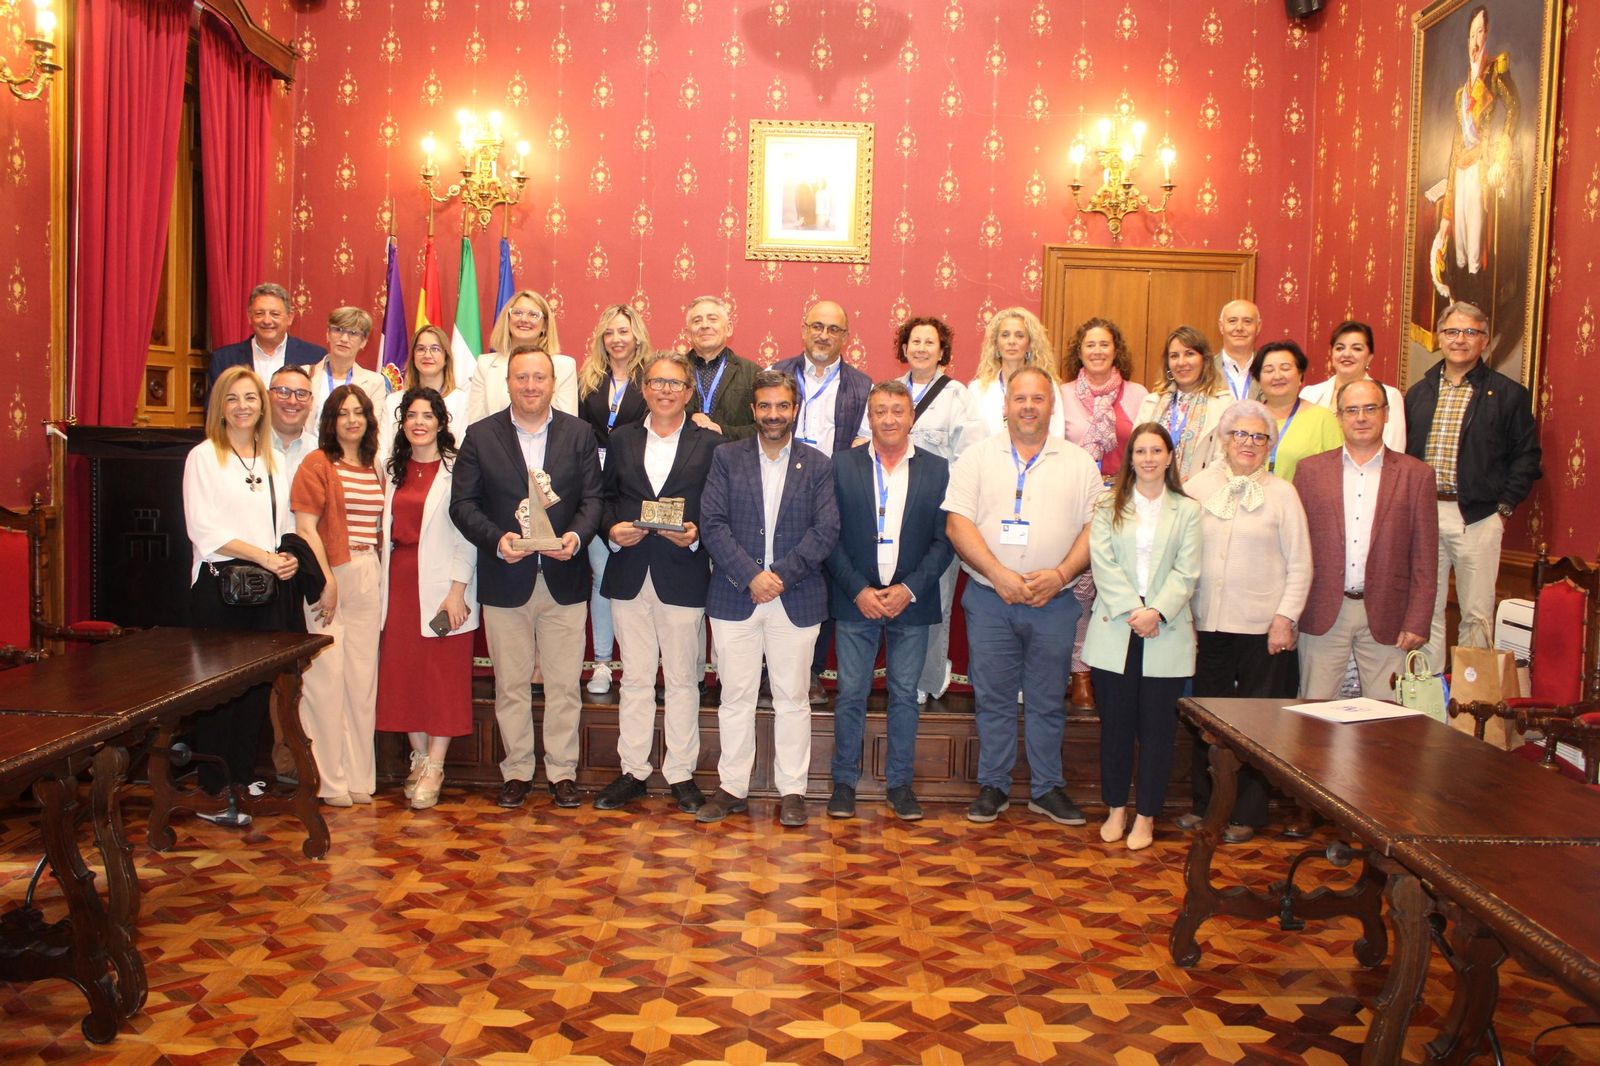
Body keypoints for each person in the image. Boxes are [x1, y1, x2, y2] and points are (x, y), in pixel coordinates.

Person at [944, 366, 1098, 826]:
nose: (1028, 406)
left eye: (1038, 399)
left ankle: (1047, 788)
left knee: (1048, 699)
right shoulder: (976, 458)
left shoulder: (1079, 461)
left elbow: (1097, 528)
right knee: (992, 697)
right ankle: (994, 785)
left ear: (1052, 406)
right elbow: (958, 524)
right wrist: (998, 573)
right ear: (1005, 405)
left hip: (1055, 600)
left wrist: (1061, 573)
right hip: (992, 596)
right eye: (1020, 398)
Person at [449, 347, 602, 811]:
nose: (530, 386)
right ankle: (516, 770)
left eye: (539, 378)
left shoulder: (579, 434)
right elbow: (463, 506)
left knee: (562, 685)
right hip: (505, 576)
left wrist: (576, 536)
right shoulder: (480, 435)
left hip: (564, 576)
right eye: (522, 378)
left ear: (552, 383)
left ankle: (561, 772)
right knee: (510, 684)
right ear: (508, 382)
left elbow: (594, 500)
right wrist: (498, 541)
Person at [697, 369, 839, 827]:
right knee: (735, 695)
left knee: (792, 697)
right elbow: (713, 524)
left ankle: (792, 790)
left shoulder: (817, 465)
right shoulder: (726, 457)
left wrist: (776, 576)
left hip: (794, 597)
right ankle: (732, 787)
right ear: (753, 410)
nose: (774, 415)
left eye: (782, 406)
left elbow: (826, 531)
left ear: (795, 410)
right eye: (765, 406)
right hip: (735, 594)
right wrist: (751, 576)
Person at [592, 351, 723, 814]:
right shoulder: (622, 438)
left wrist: (696, 535)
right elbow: (604, 499)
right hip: (629, 571)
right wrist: (611, 530)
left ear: (689, 392)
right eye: (656, 383)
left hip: (682, 571)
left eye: (675, 384)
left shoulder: (708, 444)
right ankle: (633, 771)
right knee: (637, 679)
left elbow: (716, 507)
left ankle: (681, 773)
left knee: (685, 679)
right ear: (644, 389)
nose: (665, 390)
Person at [1180, 401, 1312, 844]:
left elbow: (1301, 565)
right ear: (1223, 439)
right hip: (1207, 626)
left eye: (1259, 437)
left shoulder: (1283, 494)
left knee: (1258, 727)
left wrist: (1285, 619)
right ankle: (1206, 807)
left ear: (1270, 445)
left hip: (1262, 630)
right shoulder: (1197, 488)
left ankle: (1247, 815)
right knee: (1208, 722)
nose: (1249, 444)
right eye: (1241, 435)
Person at [825, 380, 952, 821]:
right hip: (854, 600)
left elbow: (944, 541)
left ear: (911, 416)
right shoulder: (841, 466)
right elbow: (830, 537)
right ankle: (843, 783)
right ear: (869, 416)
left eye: (898, 410)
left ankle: (900, 785)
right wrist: (857, 589)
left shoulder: (938, 470)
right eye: (881, 411)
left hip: (911, 603)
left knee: (904, 695)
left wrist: (909, 589)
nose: (890, 419)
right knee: (851, 694)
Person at [182, 367, 300, 823]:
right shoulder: (203, 457)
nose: (243, 406)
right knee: (220, 691)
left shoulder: (273, 459)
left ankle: (243, 775)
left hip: (265, 588)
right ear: (220, 407)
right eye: (233, 399)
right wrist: (263, 557)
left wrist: (285, 557)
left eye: (250, 397)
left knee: (255, 687)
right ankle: (213, 789)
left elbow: (283, 527)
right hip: (220, 587)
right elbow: (204, 531)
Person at [851, 317, 983, 704]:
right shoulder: (887, 391)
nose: (922, 348)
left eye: (930, 342)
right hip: (886, 502)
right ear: (904, 349)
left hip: (936, 505)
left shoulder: (958, 395)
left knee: (933, 593)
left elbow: (968, 455)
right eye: (915, 342)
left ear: (943, 351)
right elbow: (863, 440)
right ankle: (890, 670)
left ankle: (925, 679)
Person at [1082, 424, 1201, 852]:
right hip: (1117, 626)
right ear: (1130, 458)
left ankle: (1147, 815)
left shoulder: (1187, 511)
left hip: (1165, 629)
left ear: (1170, 458)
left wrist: (1157, 612)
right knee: (1116, 727)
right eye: (1141, 451)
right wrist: (1135, 610)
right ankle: (1116, 808)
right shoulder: (1107, 504)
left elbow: (1187, 571)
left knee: (1156, 732)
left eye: (1157, 450)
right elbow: (1103, 561)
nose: (1148, 458)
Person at [1405, 300, 1541, 667]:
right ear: (1439, 338)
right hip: (1424, 515)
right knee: (1423, 614)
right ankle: (1427, 706)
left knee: (1476, 616)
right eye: (1452, 332)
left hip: (1478, 518)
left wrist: (1504, 508)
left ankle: (1470, 715)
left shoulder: (1508, 395)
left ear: (1484, 341)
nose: (1460, 340)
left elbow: (1527, 457)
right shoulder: (1418, 394)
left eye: (1470, 332)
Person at [1295, 381, 1438, 700]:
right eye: (1352, 410)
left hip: (1389, 611)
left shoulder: (1417, 476)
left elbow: (1426, 559)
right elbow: (1295, 551)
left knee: (1385, 722)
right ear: (1339, 416)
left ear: (1386, 413)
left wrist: (1418, 620)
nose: (1361, 418)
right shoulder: (1310, 472)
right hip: (1323, 610)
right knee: (1314, 713)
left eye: (1370, 408)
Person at [375, 388, 478, 810]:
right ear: (402, 424)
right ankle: (418, 755)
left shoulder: (457, 468)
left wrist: (457, 590)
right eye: (411, 415)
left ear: (441, 421)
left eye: (427, 415)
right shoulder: (391, 469)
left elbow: (468, 532)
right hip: (398, 583)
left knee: (442, 677)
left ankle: (436, 765)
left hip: (444, 586)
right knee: (405, 676)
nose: (419, 422)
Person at [771, 299, 872, 704]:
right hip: (777, 489)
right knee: (776, 571)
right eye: (817, 326)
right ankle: (770, 672)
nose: (823, 335)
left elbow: (866, 440)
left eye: (833, 329)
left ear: (846, 337)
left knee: (823, 581)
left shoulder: (862, 385)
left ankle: (811, 672)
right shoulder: (778, 372)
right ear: (804, 328)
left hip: (831, 492)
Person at [291, 385, 386, 807]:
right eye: (343, 413)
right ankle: (329, 781)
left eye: (359, 412)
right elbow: (305, 529)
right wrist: (326, 579)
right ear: (330, 421)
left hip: (368, 572)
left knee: (362, 680)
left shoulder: (373, 467)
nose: (352, 419)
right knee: (325, 680)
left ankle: (359, 779)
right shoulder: (316, 464)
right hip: (327, 575)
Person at [1058, 317, 1151, 713]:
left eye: (1104, 344)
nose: (1097, 351)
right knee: (1078, 591)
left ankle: (1111, 673)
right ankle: (1079, 675)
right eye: (1089, 344)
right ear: (1079, 351)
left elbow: (1148, 448)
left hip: (1125, 504)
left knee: (1116, 589)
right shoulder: (1060, 394)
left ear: (1117, 351)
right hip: (1076, 501)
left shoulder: (1139, 394)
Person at [577, 305, 651, 696]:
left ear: (636, 335)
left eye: (623, 331)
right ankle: (603, 662)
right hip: (593, 488)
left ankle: (639, 665)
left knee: (639, 583)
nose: (616, 339)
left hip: (633, 488)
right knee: (602, 578)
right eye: (609, 333)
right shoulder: (588, 380)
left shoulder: (651, 380)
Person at [1432, 6, 1519, 314]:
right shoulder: (1460, 95)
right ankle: (1462, 311)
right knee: (1459, 246)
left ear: (1488, 34)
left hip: (1483, 166)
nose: (1476, 39)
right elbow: (1456, 146)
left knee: (1476, 241)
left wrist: (1501, 154)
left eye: (1481, 32)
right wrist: (1445, 212)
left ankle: (1478, 314)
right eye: (1472, 33)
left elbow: (1513, 109)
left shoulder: (1497, 70)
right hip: (1462, 168)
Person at [1134, 326, 1235, 480]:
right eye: (1174, 356)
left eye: (1189, 354)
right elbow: (1135, 453)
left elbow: (1224, 459)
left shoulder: (1224, 404)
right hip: (1153, 493)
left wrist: (1189, 488)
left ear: (1204, 360)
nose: (1181, 362)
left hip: (1201, 495)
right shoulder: (1152, 402)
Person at [467, 290, 580, 422]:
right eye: (517, 313)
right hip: (494, 442)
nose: (524, 319)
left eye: (533, 315)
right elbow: (477, 424)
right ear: (507, 320)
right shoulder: (485, 365)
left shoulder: (564, 366)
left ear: (544, 325)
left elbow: (568, 427)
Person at [1300, 321, 1406, 451]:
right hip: (1316, 469)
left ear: (1369, 357)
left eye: (1356, 348)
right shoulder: (1309, 394)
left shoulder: (1389, 395)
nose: (1346, 354)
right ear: (1331, 354)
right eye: (1340, 348)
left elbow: (1394, 448)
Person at [1250, 340, 1344, 483]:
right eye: (1269, 370)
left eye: (1285, 368)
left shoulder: (1322, 419)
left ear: (1300, 375)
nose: (1277, 376)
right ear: (1258, 379)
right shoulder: (1247, 419)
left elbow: (1338, 474)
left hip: (1304, 503)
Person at [967, 307, 1066, 440]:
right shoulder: (978, 390)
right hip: (989, 459)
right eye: (1005, 335)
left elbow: (1057, 436)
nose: (1011, 341)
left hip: (1038, 460)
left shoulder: (1047, 386)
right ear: (996, 344)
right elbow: (972, 441)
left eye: (1019, 335)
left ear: (1030, 344)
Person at [206, 281, 325, 392]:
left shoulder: (314, 357)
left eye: (275, 314)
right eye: (259, 314)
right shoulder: (223, 360)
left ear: (290, 317)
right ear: (249, 317)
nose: (267, 320)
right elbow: (213, 409)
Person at [376, 325, 470, 464]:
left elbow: (464, 452)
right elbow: (383, 452)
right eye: (421, 349)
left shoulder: (463, 401)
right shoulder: (393, 401)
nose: (427, 355)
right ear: (413, 356)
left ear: (446, 357)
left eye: (435, 349)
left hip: (448, 480)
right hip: (399, 478)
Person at [685, 294, 759, 440]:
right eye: (697, 321)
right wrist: (686, 419)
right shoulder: (671, 372)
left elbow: (766, 427)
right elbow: (652, 417)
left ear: (729, 328)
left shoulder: (753, 374)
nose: (705, 325)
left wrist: (723, 430)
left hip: (733, 458)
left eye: (712, 319)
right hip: (684, 458)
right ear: (688, 333)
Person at [308, 307, 390, 415]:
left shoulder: (374, 382)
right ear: (328, 334)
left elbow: (373, 427)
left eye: (353, 333)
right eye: (338, 330)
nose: (344, 339)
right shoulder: (305, 374)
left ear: (363, 342)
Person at [267, 365, 316, 483]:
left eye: (301, 394)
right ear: (267, 396)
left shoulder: (320, 452)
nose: (292, 401)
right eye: (283, 392)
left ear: (311, 402)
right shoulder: (249, 446)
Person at [1215, 299, 1264, 403]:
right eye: (1232, 321)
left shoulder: (1268, 369)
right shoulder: (1205, 369)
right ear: (1221, 326)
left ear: (1258, 327)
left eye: (1247, 321)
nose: (1239, 328)